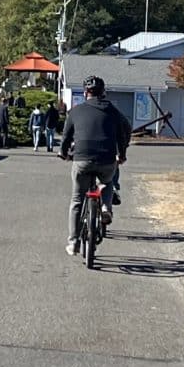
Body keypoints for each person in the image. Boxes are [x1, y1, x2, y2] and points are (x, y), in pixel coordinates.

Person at [56, 75, 131, 254]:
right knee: (108, 180)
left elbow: (66, 137)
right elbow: (122, 134)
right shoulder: (113, 111)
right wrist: (121, 154)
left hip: (82, 159)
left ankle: (73, 242)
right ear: (103, 93)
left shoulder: (75, 111)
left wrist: (63, 153)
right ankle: (105, 207)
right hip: (106, 159)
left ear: (85, 93)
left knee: (76, 200)